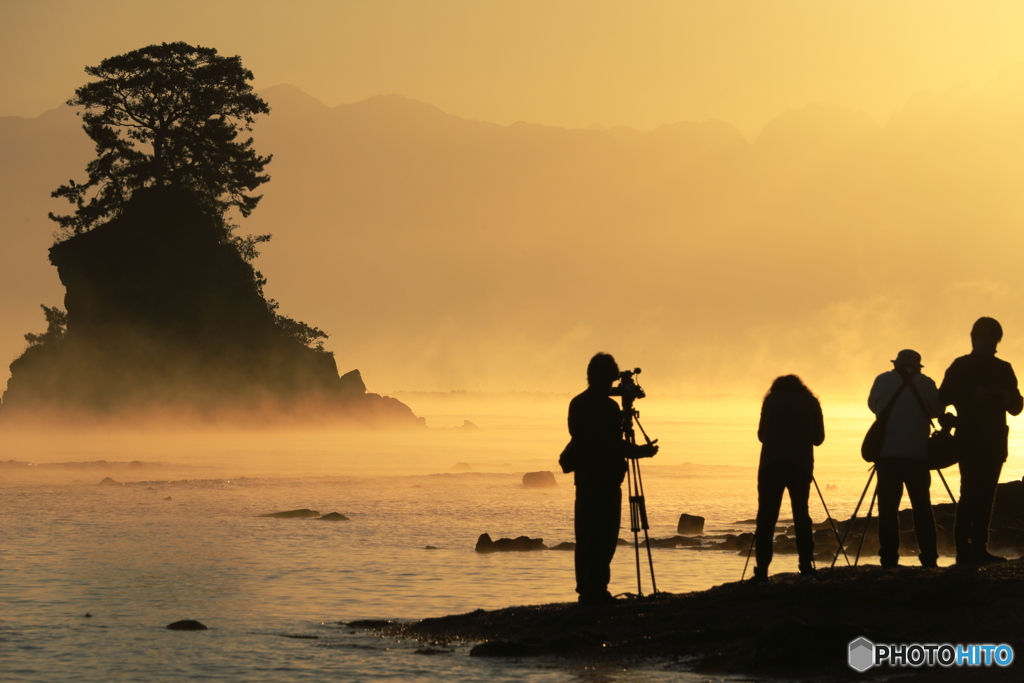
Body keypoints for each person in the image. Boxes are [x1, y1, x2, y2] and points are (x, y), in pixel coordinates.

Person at [568, 352, 657, 604]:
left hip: (584, 479)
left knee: (585, 536)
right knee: (604, 537)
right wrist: (641, 452)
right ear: (608, 377)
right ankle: (598, 590)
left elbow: (580, 437)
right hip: (606, 480)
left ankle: (586, 589)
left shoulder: (577, 403)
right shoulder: (608, 407)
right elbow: (612, 446)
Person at [938, 317, 1023, 565]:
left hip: (994, 441)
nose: (987, 342)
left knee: (986, 495)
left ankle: (979, 547)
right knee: (970, 493)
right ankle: (965, 549)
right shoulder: (961, 366)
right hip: (969, 439)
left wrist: (1005, 396)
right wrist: (971, 395)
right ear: (974, 339)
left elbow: (1017, 406)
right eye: (983, 337)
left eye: (991, 338)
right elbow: (941, 398)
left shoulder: (1004, 369)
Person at [867, 349, 940, 568]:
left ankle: (888, 558)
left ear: (896, 364)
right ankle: (929, 558)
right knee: (922, 507)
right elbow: (936, 411)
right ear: (918, 367)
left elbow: (873, 406)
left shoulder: (882, 380)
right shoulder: (926, 382)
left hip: (887, 455)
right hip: (918, 455)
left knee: (887, 509)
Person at [752, 375, 825, 582]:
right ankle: (806, 565)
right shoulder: (811, 401)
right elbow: (818, 439)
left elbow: (761, 436)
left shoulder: (771, 400)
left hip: (770, 465)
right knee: (801, 515)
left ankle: (762, 570)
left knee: (766, 517)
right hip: (800, 465)